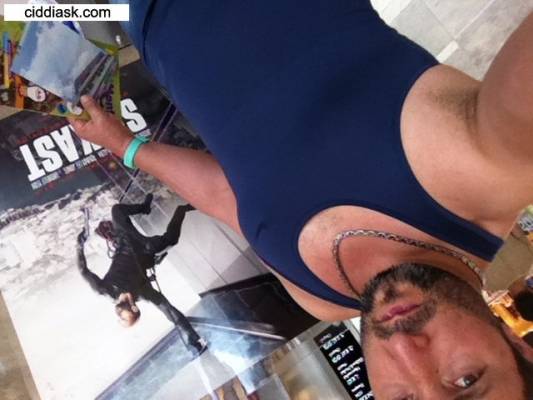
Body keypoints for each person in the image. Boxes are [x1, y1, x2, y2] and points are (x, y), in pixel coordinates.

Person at [69, 1, 533, 397]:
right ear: (520, 348)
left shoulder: (325, 300)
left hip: (141, 21)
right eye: (466, 381)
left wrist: (128, 147)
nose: (406, 350)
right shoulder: (495, 165)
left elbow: (228, 196)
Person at [76, 194, 207, 357]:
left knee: (117, 210)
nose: (118, 317)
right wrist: (193, 338)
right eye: (124, 319)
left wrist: (79, 246)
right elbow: (171, 312)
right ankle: (182, 209)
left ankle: (144, 208)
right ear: (134, 309)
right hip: (146, 249)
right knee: (171, 240)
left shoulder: (105, 291)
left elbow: (83, 271)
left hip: (125, 242)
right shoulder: (143, 293)